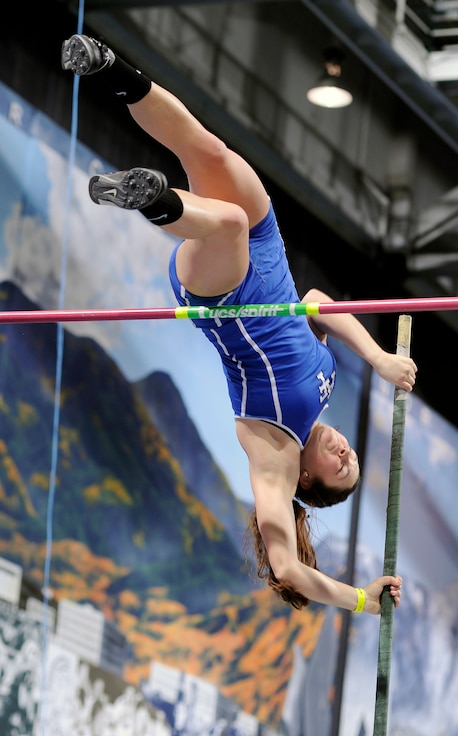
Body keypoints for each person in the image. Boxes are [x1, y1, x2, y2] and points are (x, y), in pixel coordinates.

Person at [61, 34, 417, 614]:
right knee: (210, 152)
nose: (346, 453)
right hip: (269, 252)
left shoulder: (273, 456)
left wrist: (361, 600)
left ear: (308, 480)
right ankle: (106, 67)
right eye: (353, 459)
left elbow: (286, 569)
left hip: (227, 296)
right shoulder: (322, 385)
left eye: (339, 469)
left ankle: (153, 197)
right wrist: (378, 360)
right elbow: (319, 300)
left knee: (224, 221)